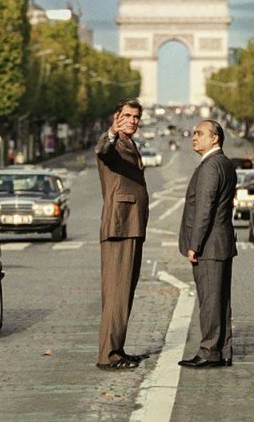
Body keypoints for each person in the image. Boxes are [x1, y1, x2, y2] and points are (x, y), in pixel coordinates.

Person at [94, 98, 150, 370]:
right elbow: (104, 150)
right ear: (115, 118)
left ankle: (117, 348)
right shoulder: (113, 142)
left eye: (136, 117)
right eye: (126, 115)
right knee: (116, 292)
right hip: (120, 225)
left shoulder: (130, 143)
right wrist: (112, 134)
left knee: (123, 291)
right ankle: (108, 355)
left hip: (131, 224)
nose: (132, 120)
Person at [178, 119, 237, 369]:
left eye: (200, 133)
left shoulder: (210, 166)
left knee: (210, 301)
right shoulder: (225, 163)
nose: (194, 137)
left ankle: (209, 351)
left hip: (209, 245)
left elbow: (204, 209)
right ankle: (223, 350)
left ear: (215, 138)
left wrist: (195, 244)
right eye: (193, 133)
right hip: (221, 242)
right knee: (220, 301)